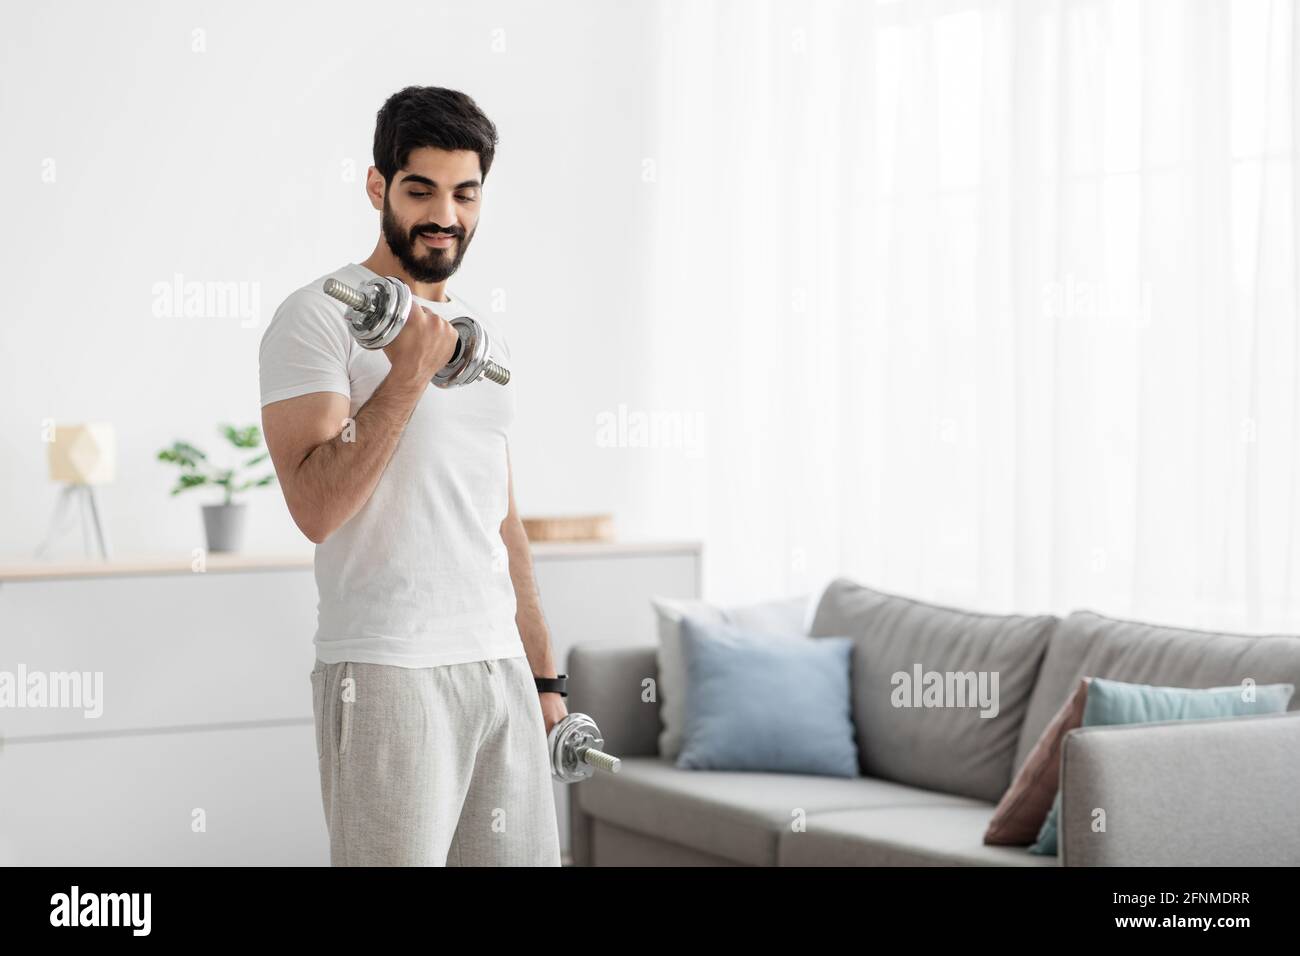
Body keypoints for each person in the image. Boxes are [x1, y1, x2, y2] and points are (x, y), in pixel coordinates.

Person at [258, 86, 563, 866]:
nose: (445, 215)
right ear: (378, 188)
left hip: (498, 668)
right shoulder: (315, 318)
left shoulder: (481, 341)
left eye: (465, 193)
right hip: (389, 668)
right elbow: (316, 507)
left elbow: (503, 524)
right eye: (420, 189)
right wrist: (405, 376)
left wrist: (545, 677)